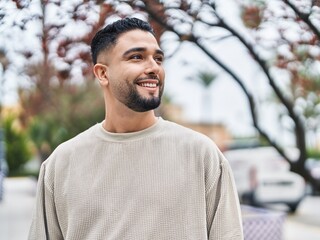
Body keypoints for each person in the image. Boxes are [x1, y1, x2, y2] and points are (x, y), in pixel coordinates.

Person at [28, 17, 243, 240]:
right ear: (103, 73)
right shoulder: (61, 164)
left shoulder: (202, 155)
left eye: (158, 58)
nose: (153, 68)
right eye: (137, 57)